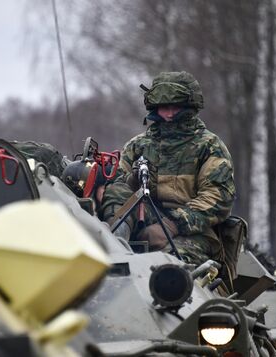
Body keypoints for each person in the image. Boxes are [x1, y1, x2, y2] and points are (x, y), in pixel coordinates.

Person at [100, 71, 236, 266]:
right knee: (117, 190)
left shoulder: (209, 146)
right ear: (155, 107)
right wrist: (132, 180)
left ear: (190, 107)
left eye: (176, 107)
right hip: (142, 220)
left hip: (193, 233)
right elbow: (115, 188)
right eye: (164, 107)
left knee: (168, 267)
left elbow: (217, 198)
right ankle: (113, 247)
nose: (170, 114)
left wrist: (171, 225)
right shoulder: (138, 145)